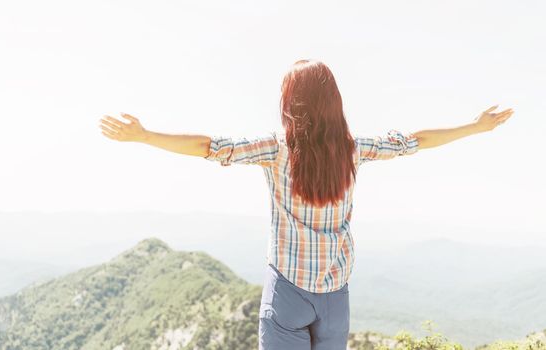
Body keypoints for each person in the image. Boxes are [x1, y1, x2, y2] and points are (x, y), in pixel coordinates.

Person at [98, 59, 514, 350]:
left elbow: (210, 147)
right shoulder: (353, 149)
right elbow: (414, 141)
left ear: (290, 103)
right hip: (336, 294)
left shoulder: (277, 150)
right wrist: (475, 128)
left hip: (288, 293)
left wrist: (146, 135)